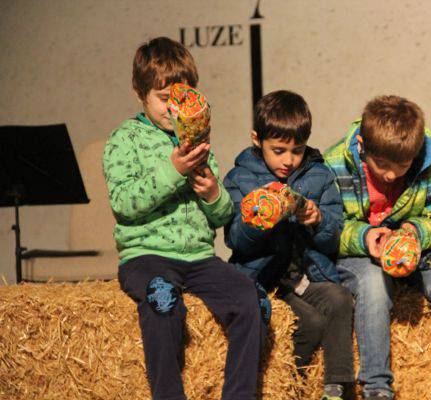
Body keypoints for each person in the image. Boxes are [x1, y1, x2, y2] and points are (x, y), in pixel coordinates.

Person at [102, 37, 262, 400]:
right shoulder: (124, 140)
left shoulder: (196, 138)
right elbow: (125, 203)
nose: (173, 109)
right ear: (140, 93)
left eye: (181, 99)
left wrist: (212, 194)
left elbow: (222, 216)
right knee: (162, 302)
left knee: (246, 297)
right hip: (147, 256)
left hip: (199, 258)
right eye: (164, 99)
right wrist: (173, 170)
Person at [324, 96, 431, 400]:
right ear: (362, 145)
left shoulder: (430, 161)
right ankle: (376, 388)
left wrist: (415, 232)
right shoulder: (334, 164)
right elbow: (328, 227)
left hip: (421, 250)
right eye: (381, 164)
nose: (391, 175)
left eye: (403, 165)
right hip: (361, 254)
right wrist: (364, 237)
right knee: (373, 287)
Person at [224, 90, 355, 400]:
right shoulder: (240, 178)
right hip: (262, 278)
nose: (289, 160)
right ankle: (288, 384)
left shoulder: (319, 175)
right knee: (310, 322)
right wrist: (256, 221)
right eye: (279, 150)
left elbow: (333, 237)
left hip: (305, 275)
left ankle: (337, 387)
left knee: (339, 299)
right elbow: (235, 240)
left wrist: (317, 219)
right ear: (257, 140)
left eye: (297, 150)